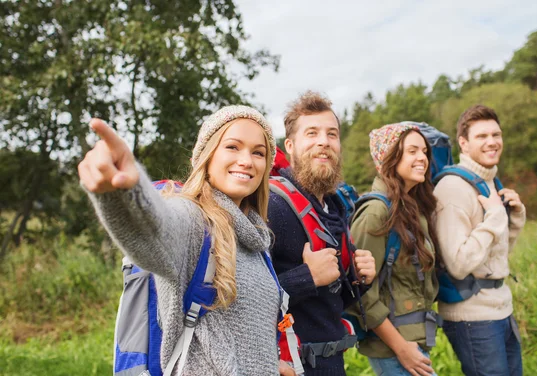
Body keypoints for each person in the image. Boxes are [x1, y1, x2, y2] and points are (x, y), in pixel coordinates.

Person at [78, 106, 294, 376]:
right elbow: (156, 229)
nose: (246, 161)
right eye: (232, 147)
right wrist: (124, 193)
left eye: (258, 152)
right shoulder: (194, 221)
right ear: (206, 155)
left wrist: (269, 365)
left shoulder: (257, 239)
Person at [268, 91, 377, 375]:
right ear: (290, 145)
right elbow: (239, 298)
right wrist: (308, 277)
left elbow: (332, 300)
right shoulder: (273, 206)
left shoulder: (335, 205)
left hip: (330, 362)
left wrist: (359, 278)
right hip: (289, 366)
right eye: (312, 133)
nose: (323, 142)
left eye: (332, 134)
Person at [434, 105, 526, 376]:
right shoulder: (452, 189)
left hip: (500, 308)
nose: (492, 142)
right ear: (463, 142)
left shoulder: (490, 182)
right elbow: (458, 263)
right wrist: (495, 219)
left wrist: (515, 217)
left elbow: (496, 255)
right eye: (482, 136)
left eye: (496, 134)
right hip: (473, 317)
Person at [347, 124, 441, 376]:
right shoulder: (376, 212)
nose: (422, 157)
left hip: (413, 340)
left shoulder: (411, 207)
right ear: (389, 157)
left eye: (423, 151)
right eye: (412, 151)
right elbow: (360, 293)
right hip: (394, 348)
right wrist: (402, 348)